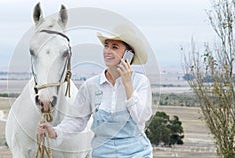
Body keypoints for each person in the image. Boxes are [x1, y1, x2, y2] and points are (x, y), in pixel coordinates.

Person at [38, 24, 153, 157]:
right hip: (102, 154)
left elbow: (142, 117)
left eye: (114, 47)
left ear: (129, 54)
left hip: (137, 154)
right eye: (106, 46)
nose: (108, 51)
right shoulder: (91, 85)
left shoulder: (140, 82)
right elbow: (77, 120)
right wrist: (55, 132)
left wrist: (128, 84)